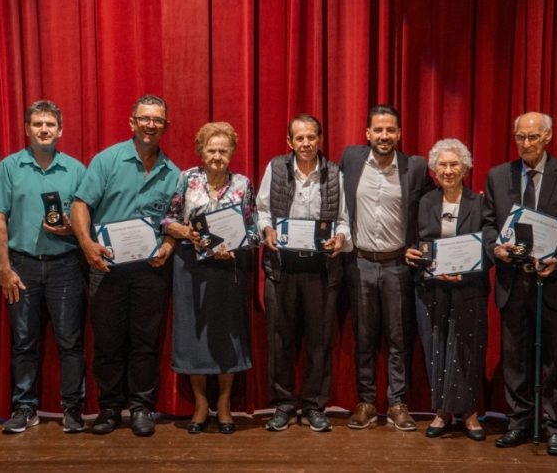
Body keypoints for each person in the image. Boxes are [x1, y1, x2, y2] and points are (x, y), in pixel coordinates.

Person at [70, 95, 180, 437]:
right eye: (144, 118)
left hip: (150, 270)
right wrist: (87, 245)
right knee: (107, 341)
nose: (150, 124)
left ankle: (142, 407)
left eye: (157, 120)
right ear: (132, 122)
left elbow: (175, 222)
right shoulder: (107, 161)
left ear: (165, 126)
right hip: (106, 268)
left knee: (145, 342)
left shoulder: (173, 173)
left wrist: (168, 246)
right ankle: (109, 408)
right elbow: (79, 205)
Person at [482, 112, 557, 456]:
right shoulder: (498, 177)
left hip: (555, 280)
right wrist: (495, 248)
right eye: (521, 138)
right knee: (515, 358)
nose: (526, 144)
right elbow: (487, 226)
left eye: (533, 137)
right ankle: (518, 422)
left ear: (548, 137)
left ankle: (556, 426)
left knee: (555, 359)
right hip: (513, 282)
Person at [0, 100, 87, 434]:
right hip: (21, 266)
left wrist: (71, 227)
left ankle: (72, 408)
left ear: (60, 130)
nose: (44, 129)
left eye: (50, 125)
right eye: (37, 124)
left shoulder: (76, 169)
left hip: (66, 264)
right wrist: (3, 268)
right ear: (27, 129)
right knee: (23, 341)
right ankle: (25, 407)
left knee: (69, 341)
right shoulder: (10, 167)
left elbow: (86, 220)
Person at [338, 104, 433, 431]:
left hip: (397, 266)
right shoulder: (350, 159)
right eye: (378, 130)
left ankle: (397, 403)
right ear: (367, 134)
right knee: (364, 338)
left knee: (398, 338)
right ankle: (365, 402)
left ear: (399, 134)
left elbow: (432, 207)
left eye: (390, 130)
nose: (384, 136)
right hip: (360, 263)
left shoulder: (415, 167)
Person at [162, 121, 258, 435]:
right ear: (201, 152)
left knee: (228, 335)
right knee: (194, 336)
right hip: (191, 265)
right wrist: (191, 234)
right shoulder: (186, 179)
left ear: (232, 152)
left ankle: (226, 404)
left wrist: (235, 245)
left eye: (223, 150)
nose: (217, 155)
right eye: (211, 149)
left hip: (228, 267)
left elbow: (254, 231)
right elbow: (168, 220)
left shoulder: (243, 184)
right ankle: (202, 404)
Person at [256, 114, 351, 433]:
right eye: (300, 138)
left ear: (320, 139)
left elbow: (343, 218)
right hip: (282, 267)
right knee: (280, 339)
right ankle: (283, 405)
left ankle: (313, 405)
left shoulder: (335, 172)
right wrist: (267, 229)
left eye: (311, 137)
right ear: (290, 142)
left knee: (319, 340)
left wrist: (341, 238)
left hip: (322, 269)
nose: (306, 143)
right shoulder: (276, 167)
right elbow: (262, 210)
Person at [404, 138, 489, 441]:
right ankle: (441, 411)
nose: (449, 170)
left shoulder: (480, 203)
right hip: (430, 287)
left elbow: (489, 246)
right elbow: (416, 242)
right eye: (443, 164)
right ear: (434, 169)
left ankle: (469, 413)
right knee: (436, 347)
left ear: (465, 168)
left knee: (467, 348)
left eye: (455, 164)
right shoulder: (425, 201)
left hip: (470, 288)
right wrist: (411, 254)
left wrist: (465, 271)